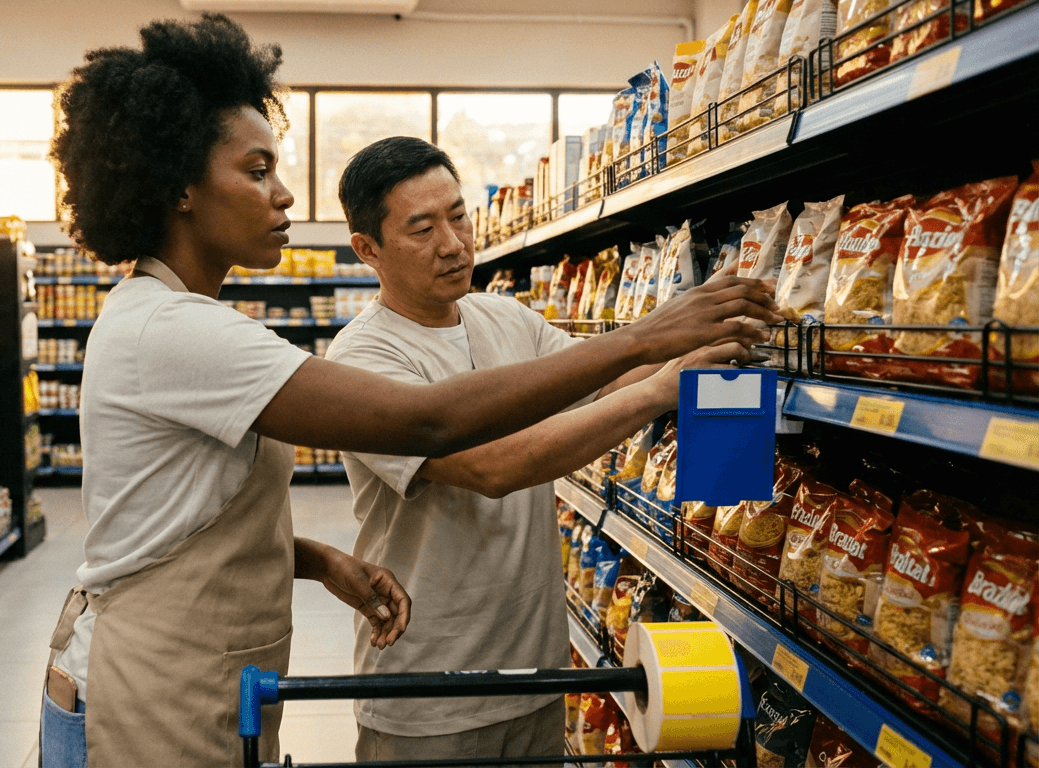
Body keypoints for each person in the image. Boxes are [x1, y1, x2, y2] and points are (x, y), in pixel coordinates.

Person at [43, 13, 780, 768]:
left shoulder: (179, 320)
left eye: (458, 218)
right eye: (257, 171)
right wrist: (645, 344)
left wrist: (320, 559)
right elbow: (430, 423)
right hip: (152, 684)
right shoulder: (174, 330)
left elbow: (176, 520)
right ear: (180, 190)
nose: (285, 195)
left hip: (210, 674)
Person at [326, 136, 759, 764]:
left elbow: (605, 383)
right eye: (422, 228)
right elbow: (492, 468)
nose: (453, 243)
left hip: (536, 673)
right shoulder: (362, 359)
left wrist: (692, 355)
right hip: (428, 689)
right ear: (367, 249)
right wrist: (654, 380)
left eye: (458, 215)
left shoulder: (507, 319)